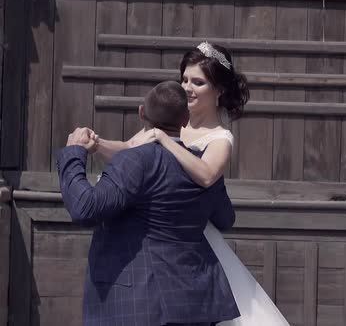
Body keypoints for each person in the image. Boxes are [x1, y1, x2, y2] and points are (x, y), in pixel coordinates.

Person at [91, 42, 290, 326]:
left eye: (198, 82)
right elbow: (128, 148)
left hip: (194, 240)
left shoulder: (221, 138)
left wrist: (163, 140)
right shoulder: (170, 119)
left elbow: (207, 175)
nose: (187, 87)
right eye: (184, 79)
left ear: (218, 91)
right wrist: (96, 144)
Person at [57, 81, 239, 326]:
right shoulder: (203, 169)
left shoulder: (136, 161)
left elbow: (85, 208)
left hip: (139, 303)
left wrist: (74, 154)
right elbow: (225, 219)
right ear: (185, 119)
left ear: (141, 112)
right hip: (195, 303)